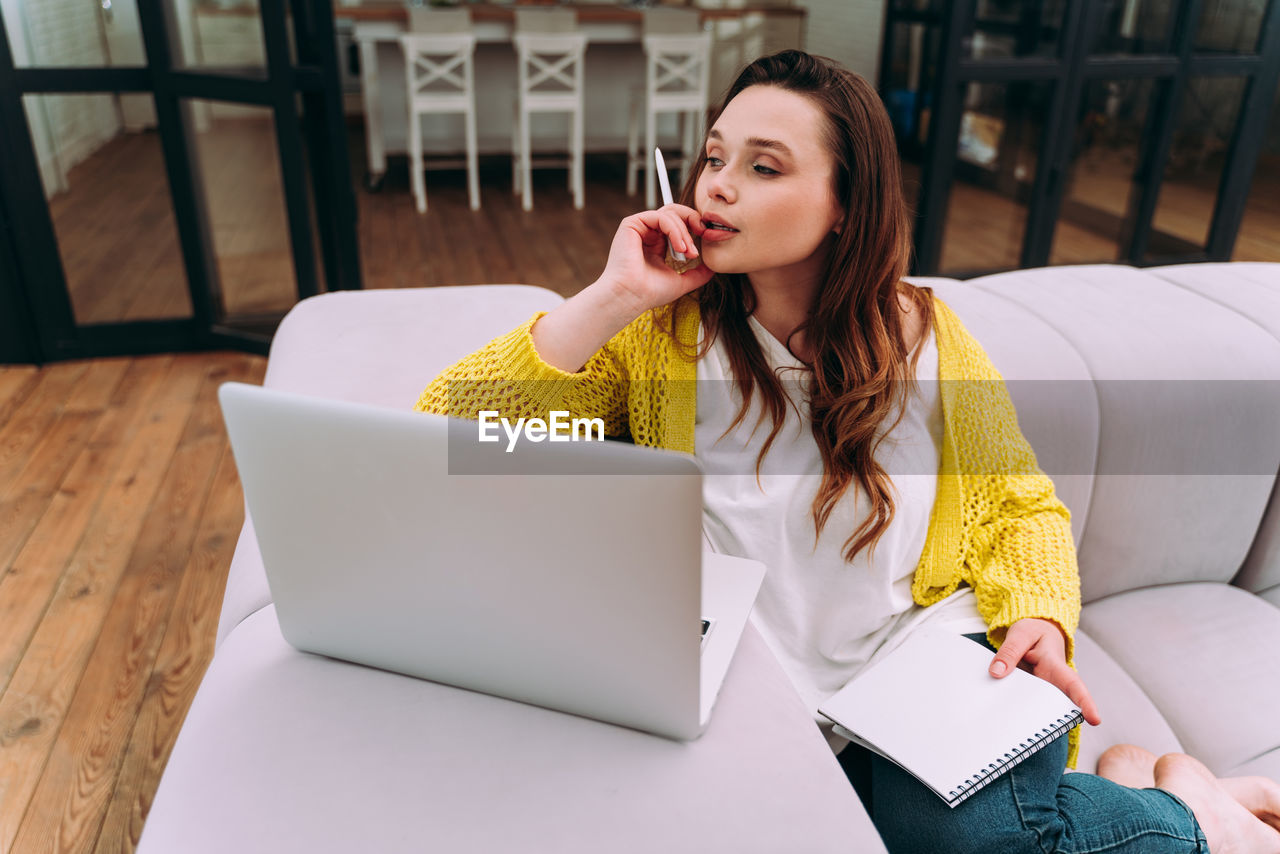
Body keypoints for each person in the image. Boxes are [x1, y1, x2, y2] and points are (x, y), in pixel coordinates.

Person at [416, 50, 1280, 854]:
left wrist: (1041, 617)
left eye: (764, 166)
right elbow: (454, 436)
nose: (717, 187)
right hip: (748, 681)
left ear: (844, 204)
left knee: (956, 839)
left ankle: (1183, 808)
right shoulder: (656, 339)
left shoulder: (931, 339)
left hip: (927, 661)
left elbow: (1020, 503)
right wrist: (611, 297)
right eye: (714, 158)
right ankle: (1170, 794)